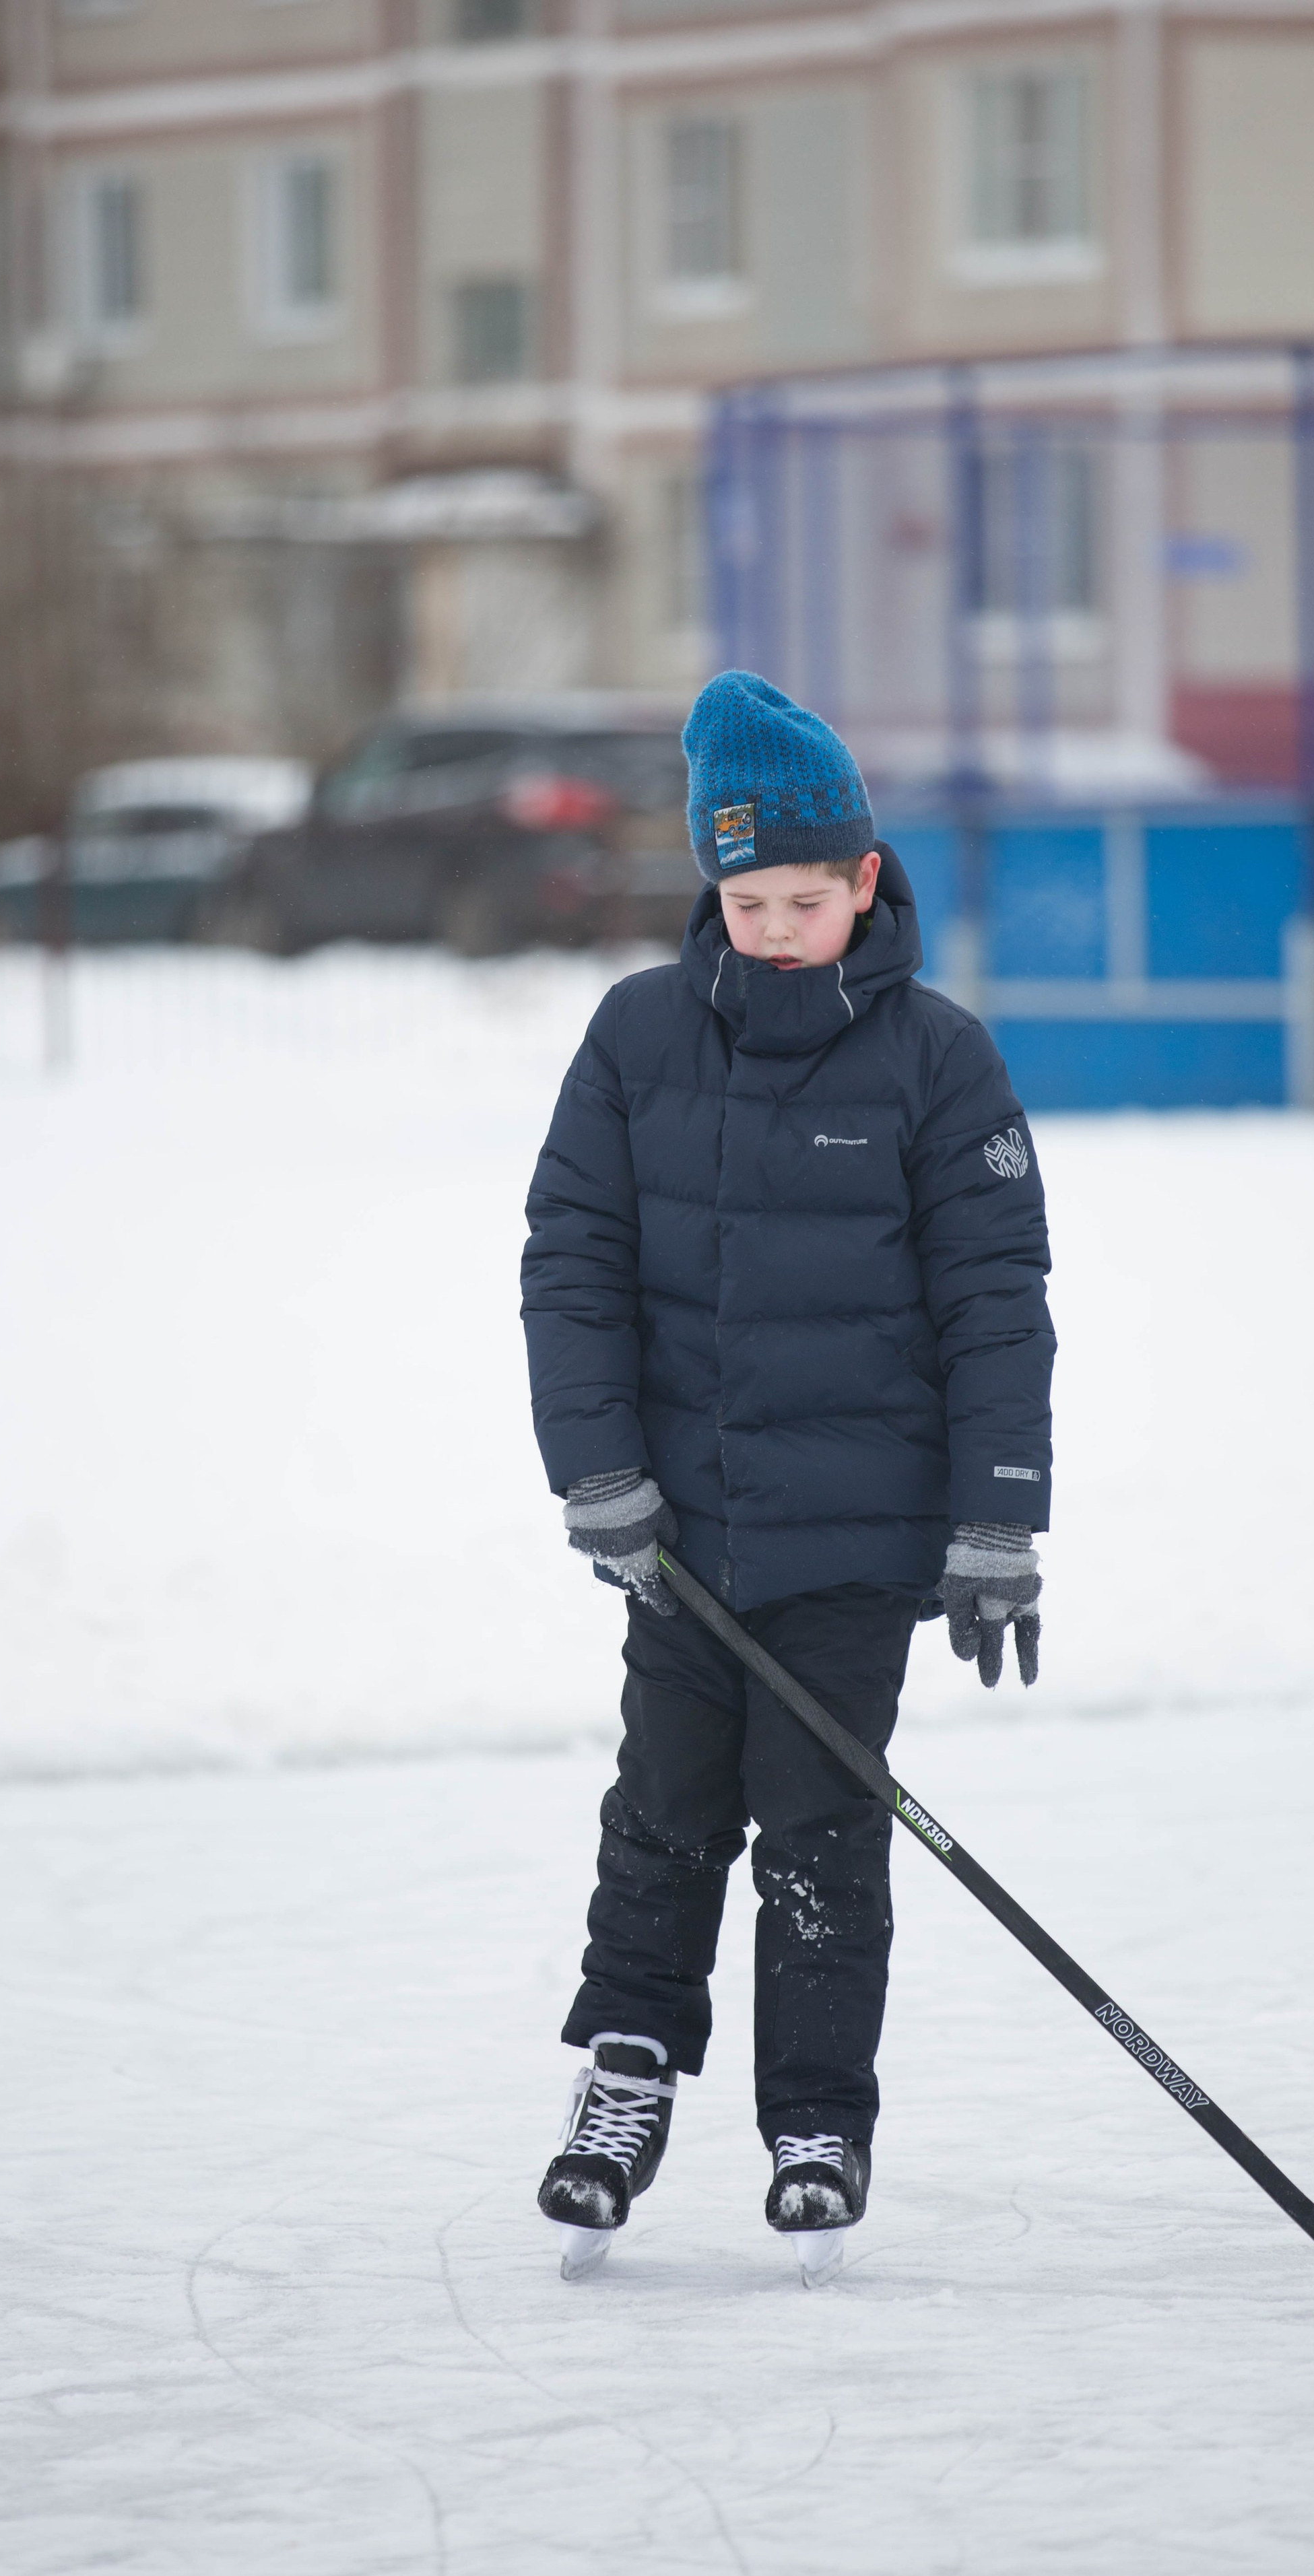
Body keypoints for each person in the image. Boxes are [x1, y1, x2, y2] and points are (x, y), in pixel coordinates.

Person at [520, 671, 1054, 2279]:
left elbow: (993, 1302)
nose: (767, 928)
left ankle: (816, 2120)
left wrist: (995, 1520)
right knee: (664, 1816)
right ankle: (621, 2085)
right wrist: (596, 1470)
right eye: (741, 898)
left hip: (848, 1548)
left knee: (820, 1836)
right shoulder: (631, 1038)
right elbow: (572, 1266)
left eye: (801, 900)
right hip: (682, 1539)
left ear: (865, 882)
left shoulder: (935, 1062)